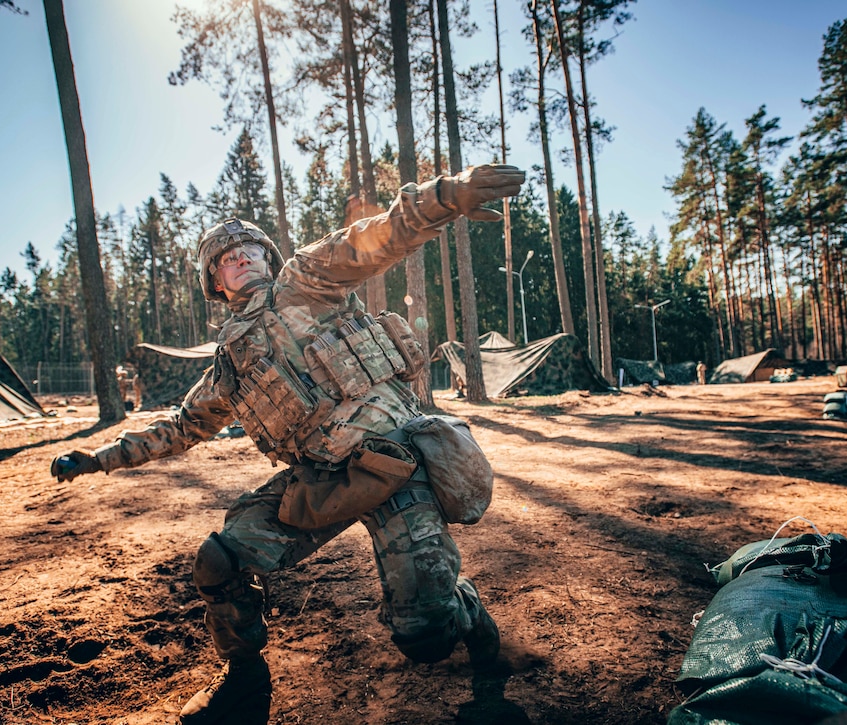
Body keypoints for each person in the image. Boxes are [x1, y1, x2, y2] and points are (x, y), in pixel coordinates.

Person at [50, 164, 525, 725]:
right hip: (323, 483)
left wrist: (445, 196)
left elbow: (374, 238)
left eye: (251, 250)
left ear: (269, 258)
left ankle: (466, 612)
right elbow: (179, 430)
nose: (242, 260)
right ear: (216, 284)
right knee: (217, 561)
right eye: (228, 260)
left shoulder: (308, 282)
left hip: (396, 464)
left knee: (426, 637)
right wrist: (96, 459)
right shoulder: (229, 366)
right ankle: (244, 686)